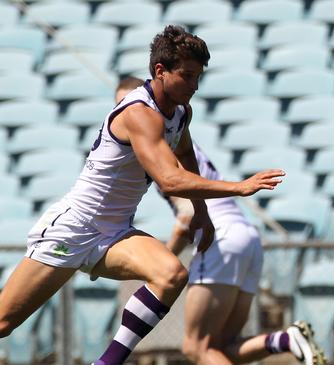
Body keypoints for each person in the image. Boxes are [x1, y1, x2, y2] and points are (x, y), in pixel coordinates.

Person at [0, 25, 285, 365]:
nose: (194, 87)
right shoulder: (139, 113)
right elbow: (170, 181)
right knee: (4, 323)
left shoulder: (180, 112)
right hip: (73, 227)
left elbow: (185, 155)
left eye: (198, 78)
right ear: (160, 71)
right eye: (188, 76)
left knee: (171, 274)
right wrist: (240, 187)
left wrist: (202, 214)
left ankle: (106, 362)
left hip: (116, 230)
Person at [115, 78, 326, 365]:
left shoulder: (156, 146)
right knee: (220, 347)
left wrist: (161, 262)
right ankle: (283, 340)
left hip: (220, 236)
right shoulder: (177, 136)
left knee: (195, 347)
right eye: (118, 107)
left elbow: (187, 216)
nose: (125, 112)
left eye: (129, 104)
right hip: (247, 237)